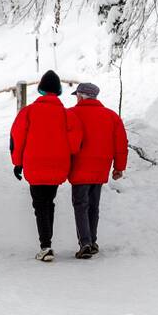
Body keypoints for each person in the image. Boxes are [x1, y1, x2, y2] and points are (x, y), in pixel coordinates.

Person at [10, 71, 82, 262]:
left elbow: (17, 138)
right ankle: (46, 243)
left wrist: (17, 163)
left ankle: (46, 246)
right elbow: (75, 144)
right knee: (48, 202)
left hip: (34, 164)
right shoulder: (67, 115)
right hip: (58, 165)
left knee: (40, 204)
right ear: (58, 90)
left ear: (41, 89)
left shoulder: (28, 112)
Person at [68, 81, 128, 259]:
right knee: (93, 205)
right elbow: (121, 144)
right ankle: (92, 241)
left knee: (80, 205)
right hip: (101, 166)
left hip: (79, 166)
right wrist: (119, 167)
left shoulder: (71, 114)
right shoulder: (111, 116)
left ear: (80, 96)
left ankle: (85, 242)